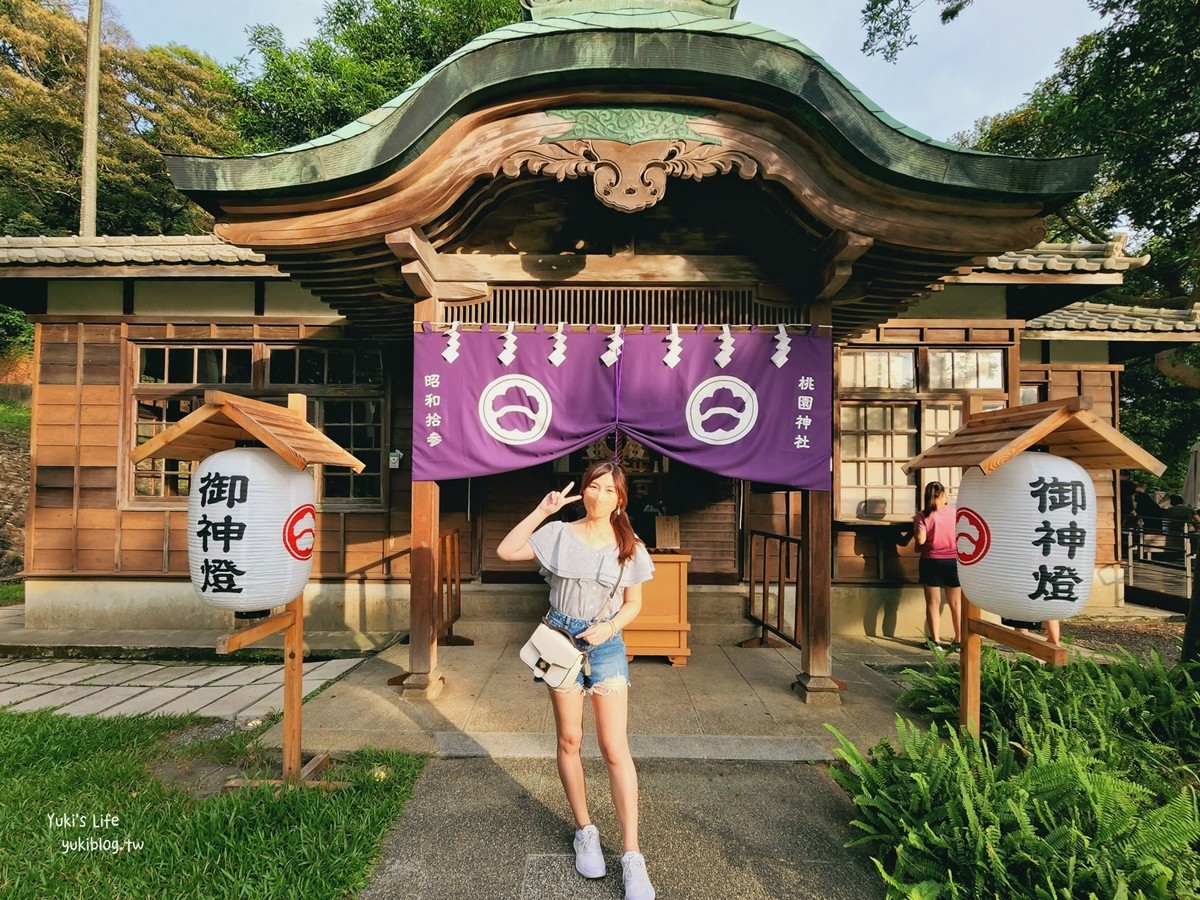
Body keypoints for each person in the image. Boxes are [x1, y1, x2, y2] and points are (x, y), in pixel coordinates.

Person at [497, 460, 657, 900]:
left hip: (605, 646)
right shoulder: (559, 533)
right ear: (582, 490)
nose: (599, 496)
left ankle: (631, 854)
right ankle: (585, 829)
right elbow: (507, 551)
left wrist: (609, 628)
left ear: (620, 499)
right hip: (559, 642)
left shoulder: (630, 545)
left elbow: (633, 603)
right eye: (593, 487)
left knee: (614, 747)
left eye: (609, 490)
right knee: (569, 738)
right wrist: (543, 509)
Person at [913, 481, 962, 652]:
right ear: (942, 495)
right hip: (953, 560)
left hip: (931, 560)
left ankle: (935, 641)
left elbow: (921, 540)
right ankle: (959, 640)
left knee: (933, 603)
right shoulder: (955, 512)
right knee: (955, 603)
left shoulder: (922, 515)